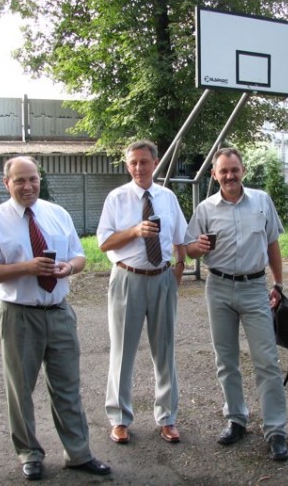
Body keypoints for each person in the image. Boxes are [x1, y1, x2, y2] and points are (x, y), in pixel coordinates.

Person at [0, 156, 110, 481]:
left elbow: (78, 256)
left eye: (32, 179)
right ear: (7, 183)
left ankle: (78, 453)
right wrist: (26, 268)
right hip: (19, 316)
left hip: (59, 312)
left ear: (39, 179)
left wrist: (68, 268)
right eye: (19, 180)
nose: (27, 186)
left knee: (68, 387)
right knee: (20, 390)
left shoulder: (57, 214)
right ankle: (29, 454)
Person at [185, 147, 288, 461]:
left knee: (267, 362)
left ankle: (276, 430)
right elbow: (190, 250)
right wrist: (197, 246)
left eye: (234, 169)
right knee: (226, 360)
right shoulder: (205, 208)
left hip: (255, 287)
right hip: (217, 287)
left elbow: (272, 243)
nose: (229, 176)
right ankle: (236, 419)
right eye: (223, 171)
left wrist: (279, 284)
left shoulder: (262, 201)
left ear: (243, 170)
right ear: (214, 175)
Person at [96, 139, 187, 445]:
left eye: (144, 162)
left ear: (155, 163)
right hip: (127, 279)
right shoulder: (117, 198)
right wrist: (135, 231)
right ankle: (120, 419)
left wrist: (179, 267)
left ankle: (168, 417)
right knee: (123, 351)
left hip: (161, 278)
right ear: (128, 165)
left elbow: (179, 238)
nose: (138, 168)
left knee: (165, 350)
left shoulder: (168, 197)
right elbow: (104, 243)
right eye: (133, 163)